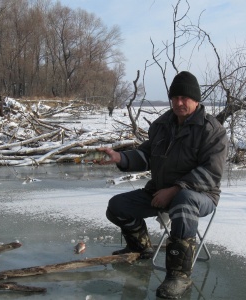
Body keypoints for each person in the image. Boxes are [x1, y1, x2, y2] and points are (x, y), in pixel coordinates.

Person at [98, 71, 228, 299]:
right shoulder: (162, 125)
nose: (178, 103)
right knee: (117, 206)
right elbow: (147, 156)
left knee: (184, 200)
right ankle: (140, 248)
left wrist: (175, 189)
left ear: (196, 99)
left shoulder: (212, 131)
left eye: (184, 98)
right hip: (160, 191)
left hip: (201, 196)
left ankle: (179, 276)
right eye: (174, 97)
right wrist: (122, 158)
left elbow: (211, 173)